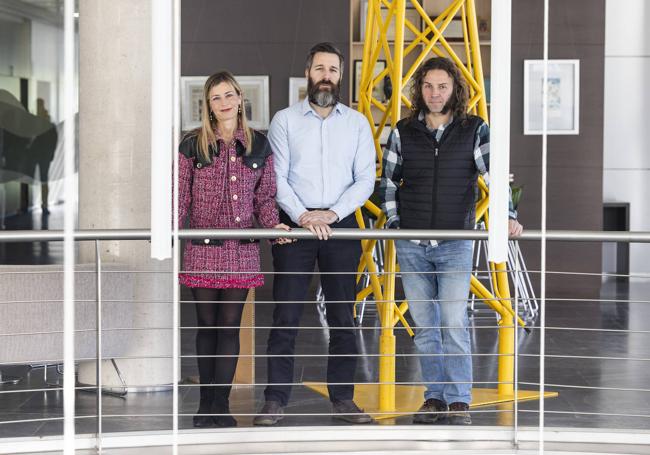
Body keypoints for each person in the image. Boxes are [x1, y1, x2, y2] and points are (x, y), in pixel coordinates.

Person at [379, 57, 523, 425]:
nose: (435, 93)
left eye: (442, 86)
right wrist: (395, 223)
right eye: (428, 86)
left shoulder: (474, 129)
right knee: (425, 326)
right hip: (412, 244)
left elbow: (493, 175)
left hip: (456, 243)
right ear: (420, 90)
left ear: (454, 89)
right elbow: (389, 182)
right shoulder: (403, 130)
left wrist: (507, 215)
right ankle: (434, 398)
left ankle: (459, 399)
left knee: (454, 324)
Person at [253, 43, 376, 425]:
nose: (326, 75)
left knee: (343, 317)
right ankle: (274, 400)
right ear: (309, 73)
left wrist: (333, 212)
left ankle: (343, 400)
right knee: (285, 315)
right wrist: (305, 215)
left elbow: (365, 180)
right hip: (295, 225)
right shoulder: (285, 120)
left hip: (341, 225)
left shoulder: (356, 123)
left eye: (333, 70)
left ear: (341, 77)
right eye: (320, 68)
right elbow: (277, 177)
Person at [177, 71, 291, 428]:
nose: (224, 103)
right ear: (207, 106)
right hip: (202, 246)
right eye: (216, 97)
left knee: (229, 328)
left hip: (241, 249)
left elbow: (265, 197)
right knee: (205, 326)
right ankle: (204, 404)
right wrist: (169, 233)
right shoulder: (192, 144)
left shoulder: (259, 144)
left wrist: (274, 228)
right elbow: (180, 196)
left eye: (229, 95)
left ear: (240, 98)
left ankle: (220, 406)